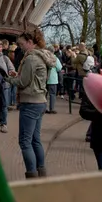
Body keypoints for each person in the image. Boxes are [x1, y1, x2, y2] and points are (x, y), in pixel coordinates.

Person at [6, 30, 55, 178]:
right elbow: (30, 78)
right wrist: (18, 75)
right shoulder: (42, 56)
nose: (20, 47)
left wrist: (7, 79)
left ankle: (32, 175)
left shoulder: (31, 59)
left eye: (21, 44)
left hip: (31, 102)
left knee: (25, 142)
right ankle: (41, 171)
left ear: (30, 42)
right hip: (40, 101)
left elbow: (23, 82)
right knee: (35, 140)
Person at [46, 50, 62, 114]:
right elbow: (59, 68)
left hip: (44, 78)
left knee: (44, 94)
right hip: (52, 79)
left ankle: (44, 108)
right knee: (52, 94)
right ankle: (51, 108)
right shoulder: (55, 58)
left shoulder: (44, 57)